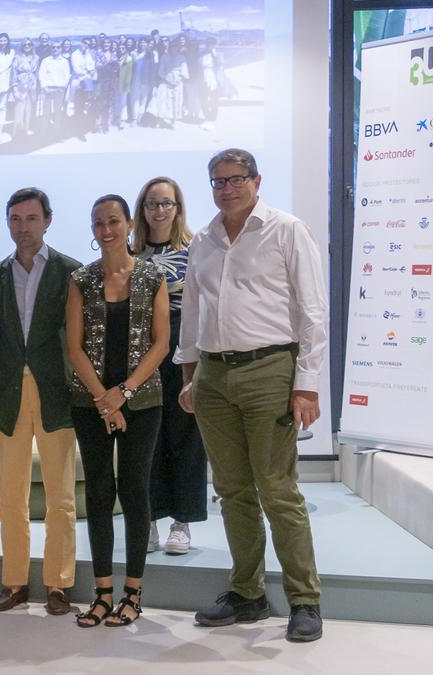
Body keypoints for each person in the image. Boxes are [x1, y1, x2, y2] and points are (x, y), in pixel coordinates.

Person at [177, 148, 326, 642]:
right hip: (213, 377)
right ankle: (248, 594)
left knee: (277, 490)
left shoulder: (285, 229)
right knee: (232, 491)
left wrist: (306, 384)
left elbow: (312, 314)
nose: (226, 188)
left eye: (236, 179)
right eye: (218, 181)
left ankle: (304, 600)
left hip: (270, 371)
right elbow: (193, 314)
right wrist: (189, 377)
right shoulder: (203, 238)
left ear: (256, 181)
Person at [66, 194, 169, 628]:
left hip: (141, 402)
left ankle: (133, 594)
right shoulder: (80, 280)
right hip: (89, 402)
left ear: (128, 224)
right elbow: (73, 347)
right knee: (99, 494)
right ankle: (103, 593)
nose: (105, 229)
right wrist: (104, 400)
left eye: (113, 220)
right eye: (98, 223)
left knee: (134, 491)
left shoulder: (152, 276)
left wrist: (122, 394)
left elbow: (162, 343)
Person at [0, 188, 81, 615]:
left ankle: (58, 584)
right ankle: (14, 581)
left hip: (56, 390)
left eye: (32, 218)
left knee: (60, 496)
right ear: (8, 223)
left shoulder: (71, 272)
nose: (24, 227)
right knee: (11, 494)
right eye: (16, 219)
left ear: (48, 221)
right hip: (7, 392)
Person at [132, 177, 207, 555]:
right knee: (147, 438)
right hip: (142, 351)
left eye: (166, 203)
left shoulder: (197, 250)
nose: (159, 211)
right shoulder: (129, 255)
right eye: (151, 204)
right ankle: (148, 521)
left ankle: (182, 522)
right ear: (141, 210)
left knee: (185, 435)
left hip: (184, 347)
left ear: (178, 208)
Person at [38, 41, 72, 135]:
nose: (55, 49)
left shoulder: (64, 61)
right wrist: (44, 87)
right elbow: (41, 74)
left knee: (57, 112)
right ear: (51, 49)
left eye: (57, 47)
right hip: (47, 89)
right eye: (53, 47)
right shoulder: (46, 61)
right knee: (46, 112)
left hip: (59, 90)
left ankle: (56, 132)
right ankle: (43, 133)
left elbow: (67, 76)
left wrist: (62, 88)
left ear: (61, 49)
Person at [10, 38, 40, 138]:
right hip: (20, 85)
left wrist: (36, 87)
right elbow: (13, 73)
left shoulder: (36, 58)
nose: (27, 46)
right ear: (22, 46)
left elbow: (37, 73)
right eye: (25, 45)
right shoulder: (17, 57)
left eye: (29, 44)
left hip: (32, 85)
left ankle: (25, 131)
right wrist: (14, 88)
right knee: (19, 110)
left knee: (28, 110)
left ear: (32, 46)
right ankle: (17, 134)